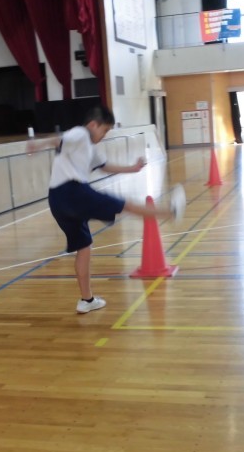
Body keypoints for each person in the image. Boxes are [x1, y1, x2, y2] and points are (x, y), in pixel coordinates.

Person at [27, 105, 186, 314]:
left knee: (84, 246)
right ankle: (170, 212)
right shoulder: (80, 133)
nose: (105, 135)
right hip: (73, 192)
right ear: (93, 124)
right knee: (126, 204)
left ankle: (87, 300)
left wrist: (132, 168)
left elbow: (105, 166)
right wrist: (38, 144)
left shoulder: (89, 147)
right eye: (105, 130)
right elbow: (60, 139)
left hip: (57, 201)